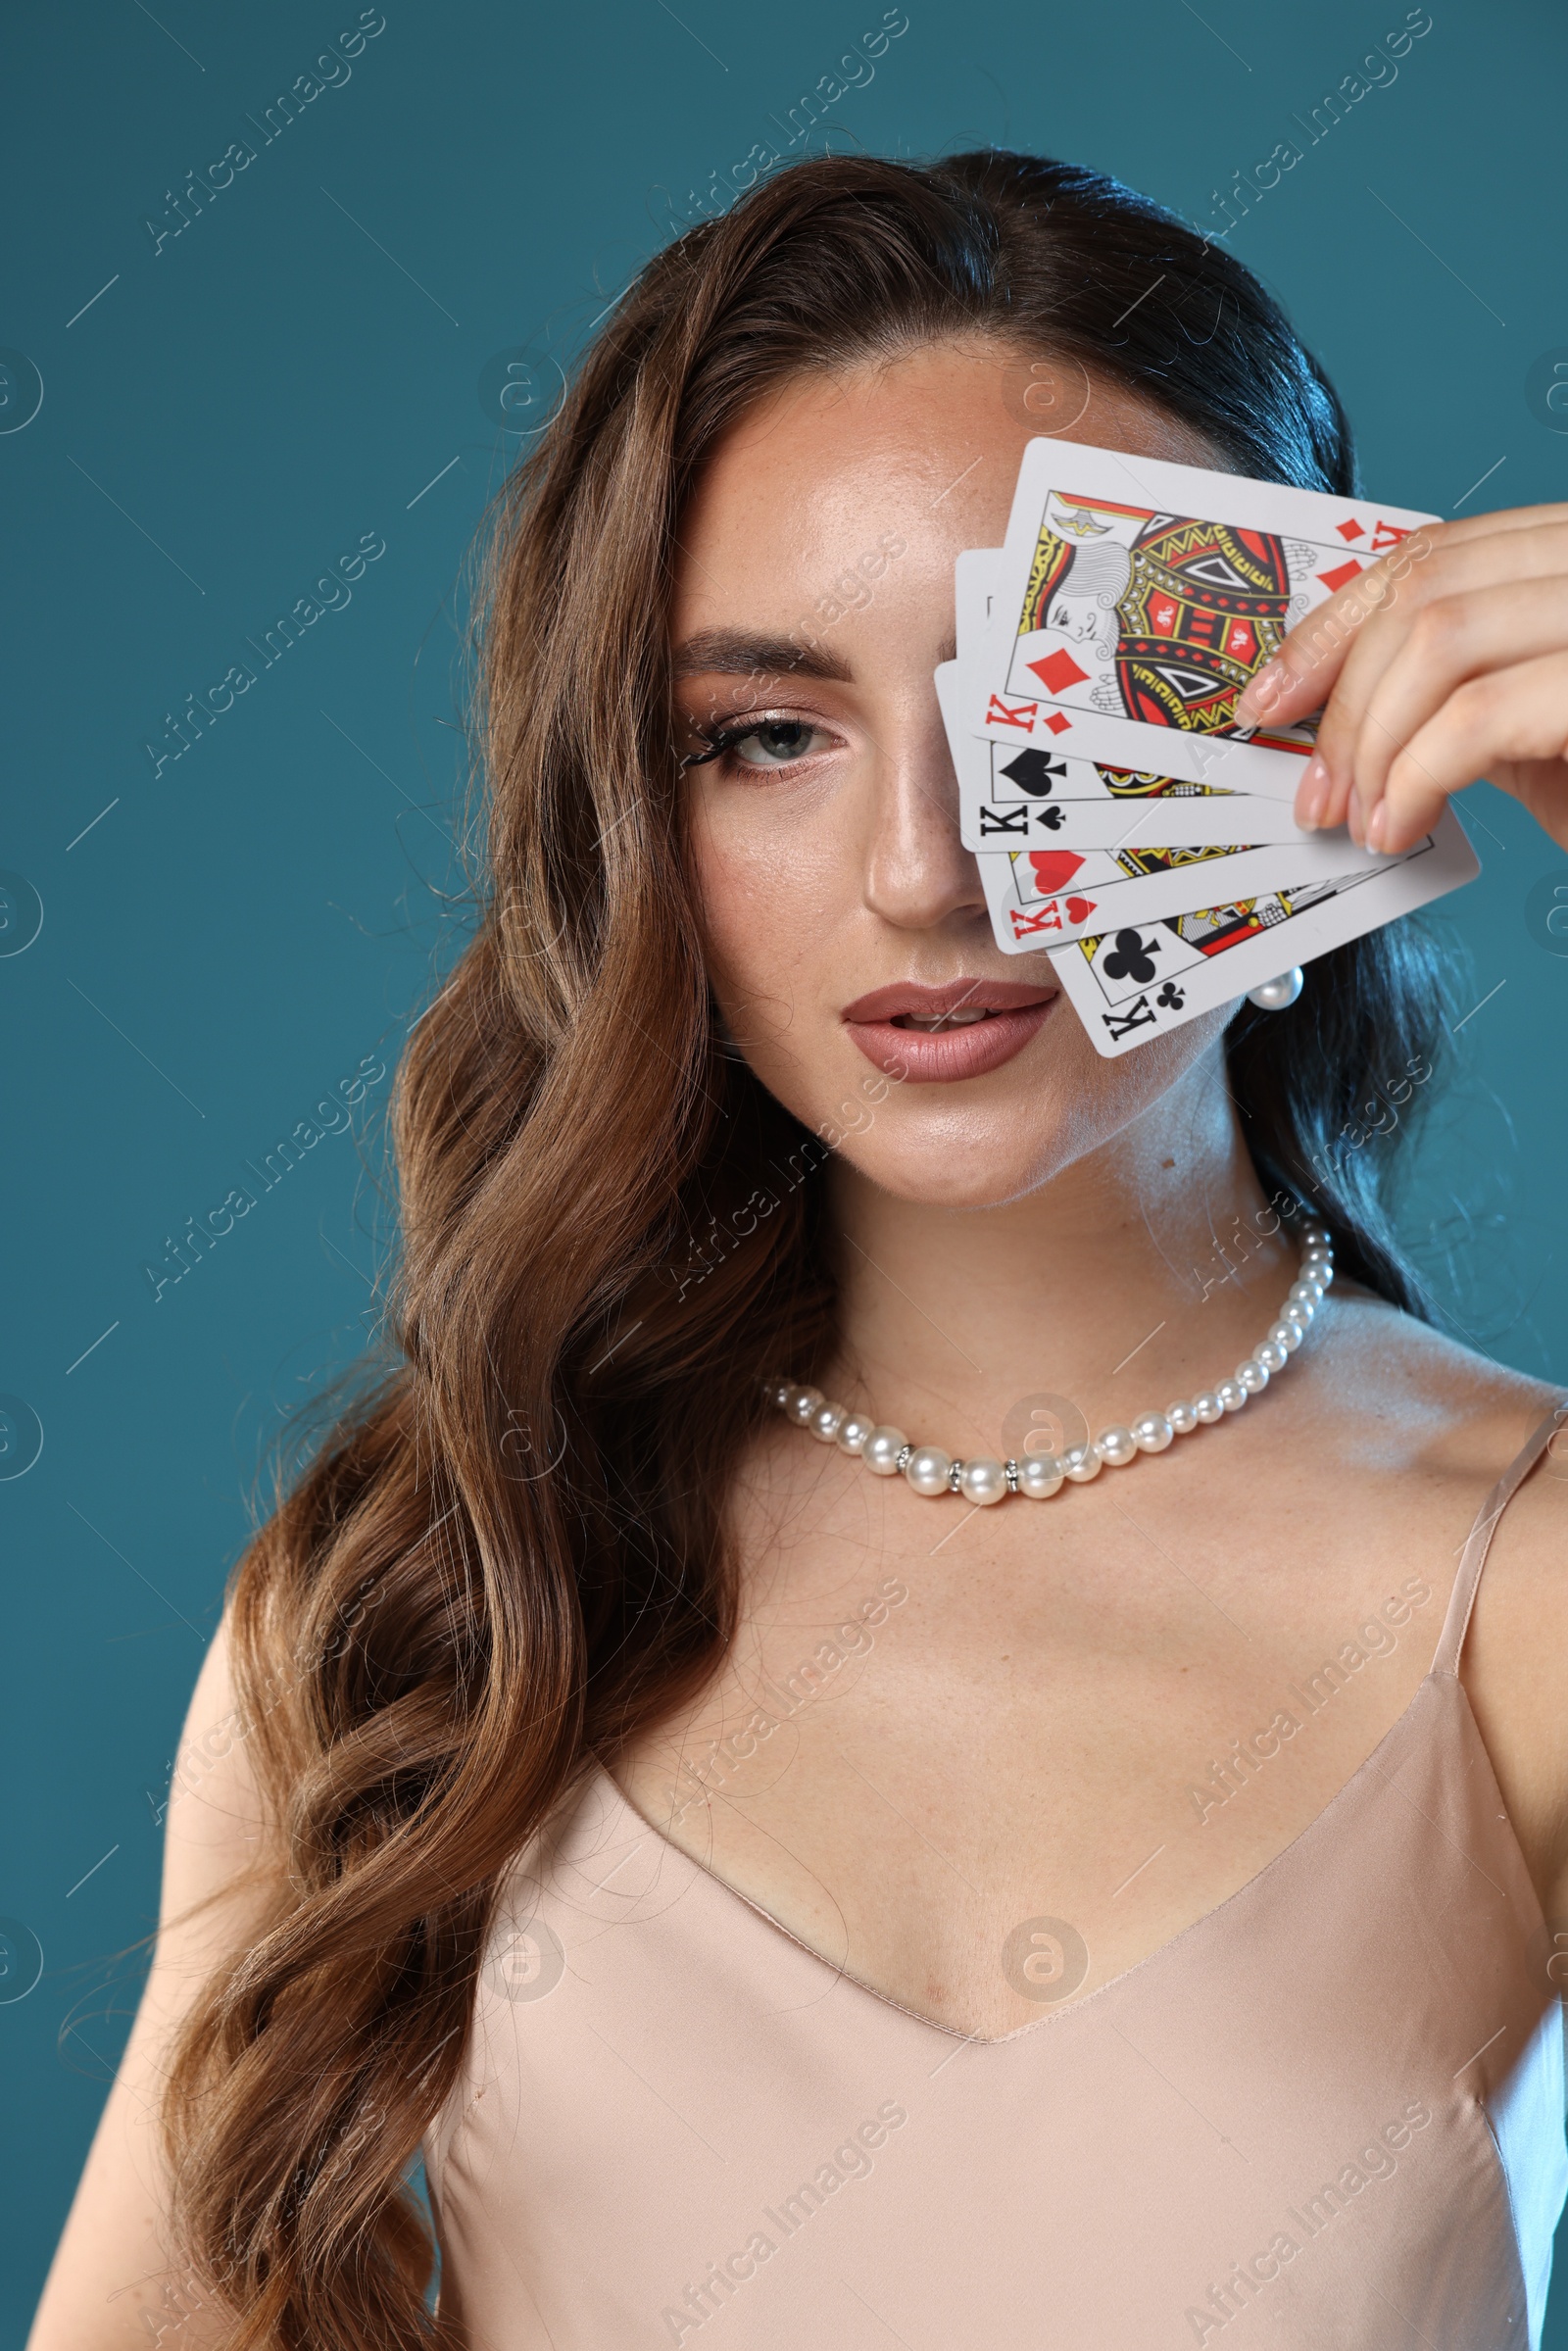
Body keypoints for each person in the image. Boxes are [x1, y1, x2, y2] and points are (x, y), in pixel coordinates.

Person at [27, 149, 1568, 2351]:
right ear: (632, 820)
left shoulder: (1520, 1580)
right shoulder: (428, 1587)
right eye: (762, 739)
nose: (927, 874)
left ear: (1309, 715)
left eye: (1028, 713)